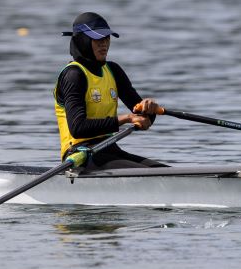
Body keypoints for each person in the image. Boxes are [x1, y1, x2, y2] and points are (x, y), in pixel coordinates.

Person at [54, 12, 167, 170]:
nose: (104, 44)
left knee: (164, 171)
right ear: (83, 41)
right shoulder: (74, 75)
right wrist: (126, 118)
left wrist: (149, 109)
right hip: (80, 155)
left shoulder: (113, 70)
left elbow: (143, 119)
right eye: (98, 39)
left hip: (108, 149)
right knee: (151, 174)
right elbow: (78, 128)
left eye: (107, 38)